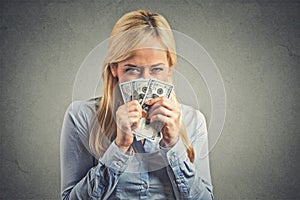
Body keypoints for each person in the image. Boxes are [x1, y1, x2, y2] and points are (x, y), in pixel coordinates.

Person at [60, 10, 214, 200]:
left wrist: (174, 146)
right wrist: (119, 147)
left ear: (169, 68)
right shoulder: (81, 116)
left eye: (157, 69)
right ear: (114, 68)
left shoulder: (193, 121)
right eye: (132, 69)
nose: (146, 80)